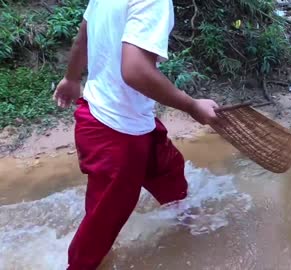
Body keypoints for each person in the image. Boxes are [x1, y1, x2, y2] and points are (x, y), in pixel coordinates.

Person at [52, 0, 219, 269]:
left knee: (168, 168)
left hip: (118, 118)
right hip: (115, 132)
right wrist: (191, 106)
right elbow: (135, 71)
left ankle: (184, 220)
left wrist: (71, 78)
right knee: (103, 220)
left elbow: (82, 39)